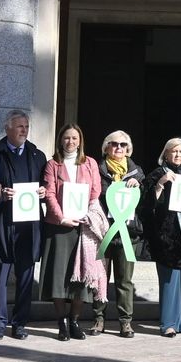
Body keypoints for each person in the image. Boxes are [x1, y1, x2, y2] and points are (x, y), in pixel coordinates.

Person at [41, 124, 109, 340]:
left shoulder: (89, 163)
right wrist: (62, 217)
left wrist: (87, 213)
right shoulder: (52, 164)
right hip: (60, 227)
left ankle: (74, 321)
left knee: (80, 278)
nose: (70, 142)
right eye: (66, 138)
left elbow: (95, 192)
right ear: (60, 140)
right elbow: (49, 193)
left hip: (83, 225)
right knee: (59, 276)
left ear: (80, 141)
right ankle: (61, 322)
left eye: (74, 138)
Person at [0, 110, 47, 340]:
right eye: (20, 126)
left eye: (26, 126)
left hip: (28, 226)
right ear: (8, 129)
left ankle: (20, 323)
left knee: (25, 278)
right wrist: (1, 194)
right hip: (2, 224)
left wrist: (43, 192)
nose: (24, 130)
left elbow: (46, 187)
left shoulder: (37, 155)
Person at [143, 138, 181, 337]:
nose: (177, 155)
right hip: (167, 235)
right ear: (165, 154)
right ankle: (168, 323)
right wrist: (160, 184)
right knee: (170, 280)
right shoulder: (157, 174)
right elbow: (147, 204)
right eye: (173, 151)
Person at [94, 131, 144, 337]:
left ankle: (125, 322)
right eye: (114, 144)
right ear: (106, 147)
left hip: (127, 233)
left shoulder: (137, 172)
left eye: (123, 145)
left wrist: (138, 185)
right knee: (100, 279)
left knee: (125, 280)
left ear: (128, 149)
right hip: (103, 231)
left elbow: (146, 202)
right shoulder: (96, 170)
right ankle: (98, 318)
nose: (119, 148)